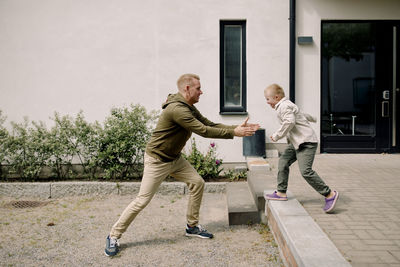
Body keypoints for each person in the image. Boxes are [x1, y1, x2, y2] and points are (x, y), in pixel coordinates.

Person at [105, 73, 260, 256]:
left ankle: (192, 226)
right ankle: (113, 236)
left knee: (197, 183)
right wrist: (235, 132)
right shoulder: (178, 110)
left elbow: (208, 123)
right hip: (157, 160)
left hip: (175, 159)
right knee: (142, 200)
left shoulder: (188, 106)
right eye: (198, 88)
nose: (201, 92)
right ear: (187, 88)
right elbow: (203, 131)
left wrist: (234, 129)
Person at [263, 83, 339, 213]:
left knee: (306, 171)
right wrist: (313, 118)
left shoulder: (284, 106)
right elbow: (300, 114)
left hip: (306, 143)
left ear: (276, 97)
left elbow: (290, 121)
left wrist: (277, 135)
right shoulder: (287, 104)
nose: (267, 102)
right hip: (296, 142)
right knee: (283, 162)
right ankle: (281, 193)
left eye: (268, 99)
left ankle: (329, 194)